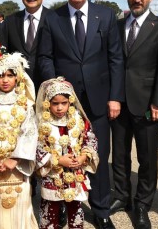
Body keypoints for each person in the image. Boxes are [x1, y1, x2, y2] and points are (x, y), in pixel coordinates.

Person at [37, 0, 124, 229]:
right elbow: (45, 56)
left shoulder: (106, 16)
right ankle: (64, 205)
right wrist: (55, 89)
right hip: (64, 102)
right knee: (63, 154)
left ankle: (100, 209)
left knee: (96, 154)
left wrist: (114, 97)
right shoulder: (53, 18)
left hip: (99, 99)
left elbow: (115, 58)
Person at [109, 0, 158, 229]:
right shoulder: (116, 26)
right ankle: (122, 195)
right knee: (120, 155)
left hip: (149, 105)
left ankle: (143, 204)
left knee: (147, 158)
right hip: (119, 103)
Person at [0, 53, 38, 228]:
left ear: (18, 77)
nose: (5, 80)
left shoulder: (25, 104)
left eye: (10, 75)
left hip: (17, 165)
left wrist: (16, 159)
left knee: (20, 204)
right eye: (1, 75)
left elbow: (30, 133)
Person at [35, 77, 99, 229]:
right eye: (55, 103)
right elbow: (37, 147)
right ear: (47, 103)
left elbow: (90, 139)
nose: (59, 108)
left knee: (75, 207)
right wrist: (57, 160)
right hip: (53, 174)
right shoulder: (41, 122)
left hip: (75, 173)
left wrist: (84, 156)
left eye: (64, 103)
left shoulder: (78, 119)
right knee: (50, 208)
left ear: (70, 102)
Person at [2, 0, 50, 87]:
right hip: (17, 88)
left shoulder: (55, 19)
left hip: (46, 86)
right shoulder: (10, 21)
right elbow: (4, 54)